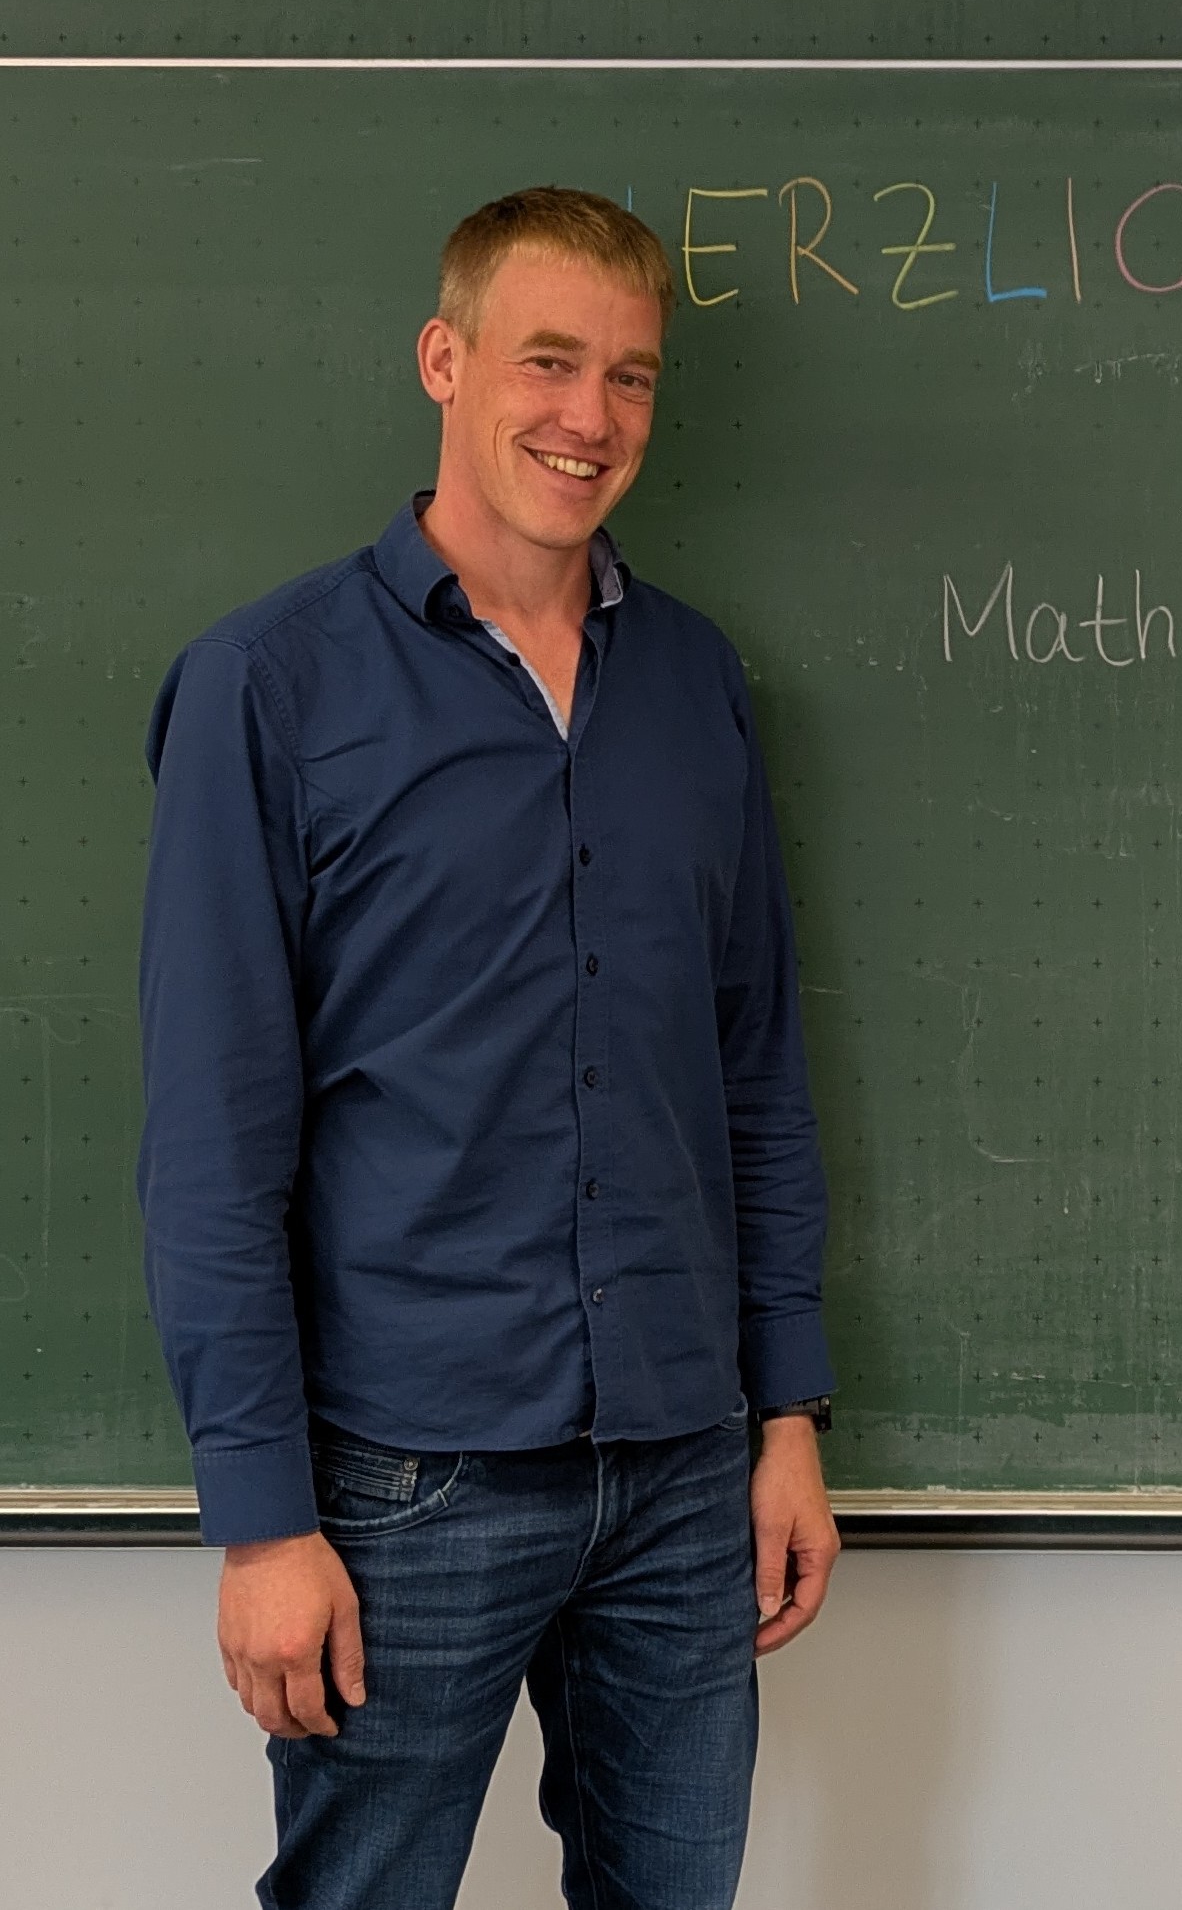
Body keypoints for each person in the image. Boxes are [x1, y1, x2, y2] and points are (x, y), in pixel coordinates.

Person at [136, 186, 841, 1910]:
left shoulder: (696, 684)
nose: (589, 416)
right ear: (443, 361)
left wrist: (787, 1416)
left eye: (630, 375)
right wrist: (262, 1521)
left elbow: (753, 1073)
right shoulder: (269, 688)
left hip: (682, 1465)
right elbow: (214, 1142)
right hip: (402, 1476)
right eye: (546, 360)